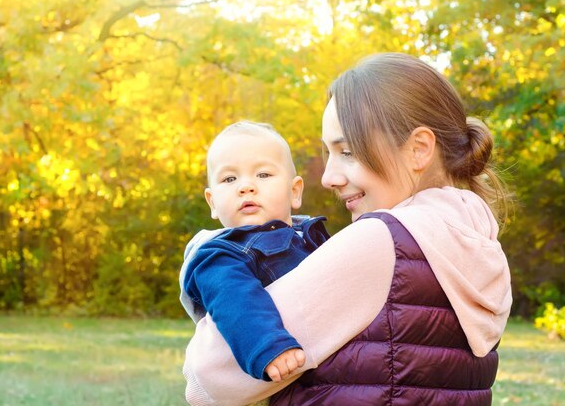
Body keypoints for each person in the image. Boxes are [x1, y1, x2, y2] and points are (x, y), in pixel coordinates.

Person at [182, 53, 513, 406]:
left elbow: (208, 378)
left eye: (348, 152)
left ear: (418, 150)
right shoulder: (477, 239)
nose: (328, 177)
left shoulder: (381, 242)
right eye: (329, 154)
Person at [179, 121, 330, 385]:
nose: (246, 187)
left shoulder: (310, 234)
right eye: (229, 179)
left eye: (263, 175)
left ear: (294, 192)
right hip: (281, 371)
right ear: (212, 202)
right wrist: (269, 345)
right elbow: (236, 300)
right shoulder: (220, 255)